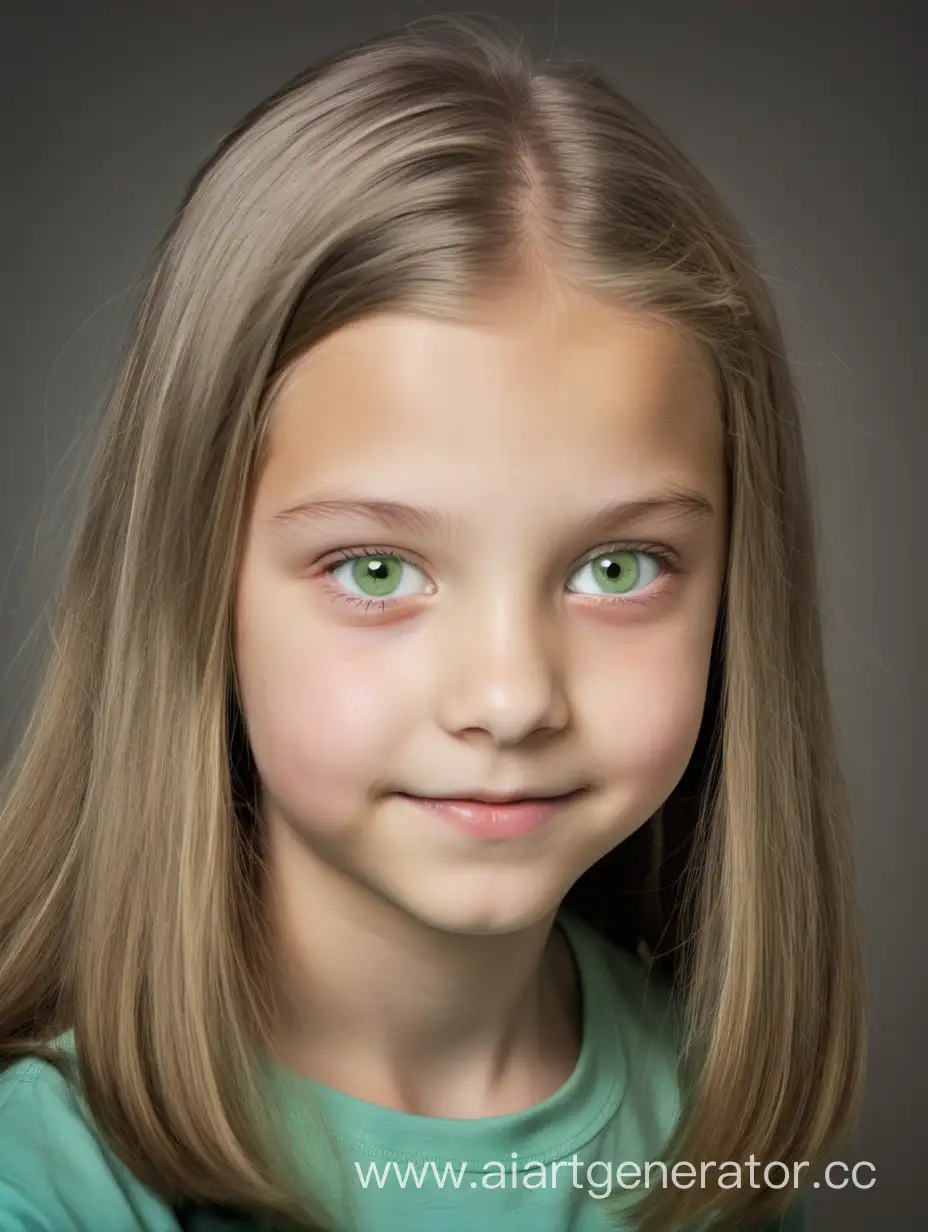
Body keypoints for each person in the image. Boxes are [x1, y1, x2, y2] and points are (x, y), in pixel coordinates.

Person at [0, 14, 865, 1232]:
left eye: (617, 568)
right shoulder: (41, 1187)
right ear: (191, 582)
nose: (509, 698)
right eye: (374, 568)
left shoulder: (699, 1114)